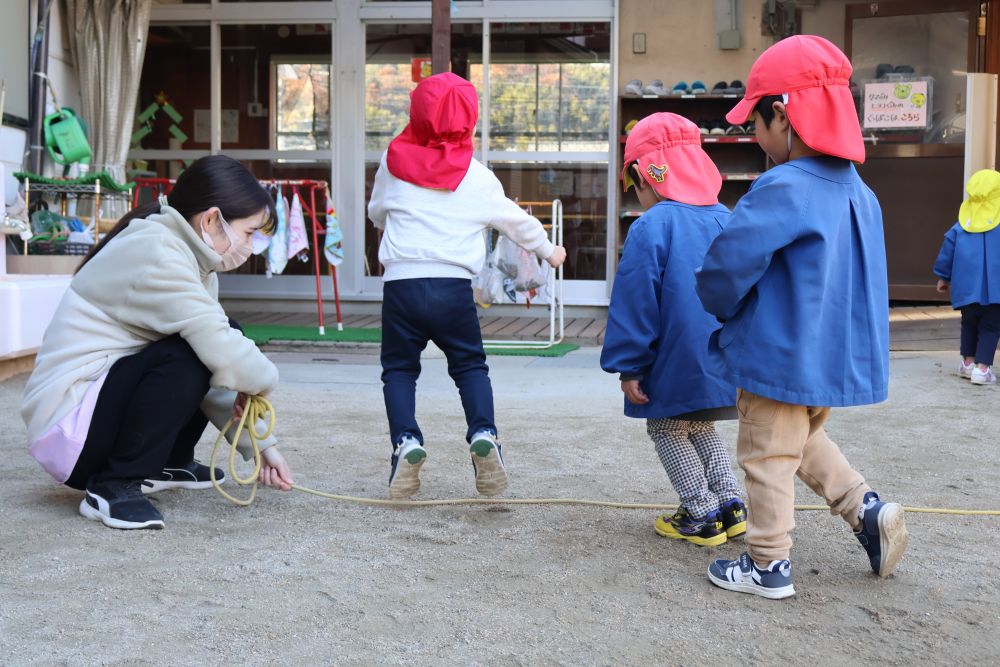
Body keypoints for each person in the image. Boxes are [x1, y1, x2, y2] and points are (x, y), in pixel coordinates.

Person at [694, 35, 908, 599]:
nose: (755, 138)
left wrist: (715, 303)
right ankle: (866, 508)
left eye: (756, 124)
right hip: (823, 356)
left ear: (784, 116)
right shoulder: (861, 194)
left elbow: (729, 263)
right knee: (801, 440)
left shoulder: (783, 185)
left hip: (776, 352)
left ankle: (768, 564)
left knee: (766, 454)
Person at [21, 155, 295, 530]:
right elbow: (220, 354)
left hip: (94, 409)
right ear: (212, 220)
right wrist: (262, 380)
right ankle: (113, 485)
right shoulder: (158, 254)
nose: (252, 245)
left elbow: (219, 361)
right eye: (249, 233)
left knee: (213, 339)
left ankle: (170, 461)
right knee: (195, 353)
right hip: (68, 433)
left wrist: (262, 446)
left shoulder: (191, 259)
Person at [368, 72, 567, 499]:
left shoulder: (392, 164)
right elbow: (515, 221)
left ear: (415, 114)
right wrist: (550, 250)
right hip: (452, 287)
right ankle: (484, 433)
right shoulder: (477, 177)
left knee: (400, 370)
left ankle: (407, 442)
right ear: (470, 121)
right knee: (470, 366)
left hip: (401, 285)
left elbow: (377, 212)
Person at [600, 112, 746, 547]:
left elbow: (636, 300)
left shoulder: (652, 226)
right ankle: (731, 504)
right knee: (702, 427)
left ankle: (699, 512)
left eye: (634, 182)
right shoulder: (726, 217)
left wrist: (629, 365)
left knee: (666, 428)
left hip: (674, 355)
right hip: (722, 356)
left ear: (647, 176)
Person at [933, 168, 1000, 386]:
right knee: (990, 327)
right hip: (996, 293)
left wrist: (944, 278)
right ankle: (982, 369)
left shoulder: (961, 227)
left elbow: (947, 252)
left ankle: (968, 363)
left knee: (969, 324)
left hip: (966, 290)